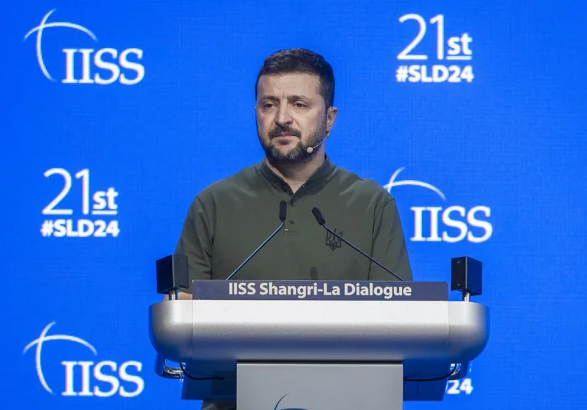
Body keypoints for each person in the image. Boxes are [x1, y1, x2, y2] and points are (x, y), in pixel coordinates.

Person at [170, 48, 413, 410]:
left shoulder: (372, 204)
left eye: (299, 104)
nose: (282, 118)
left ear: (329, 119)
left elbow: (398, 321)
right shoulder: (214, 204)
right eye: (269, 105)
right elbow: (182, 320)